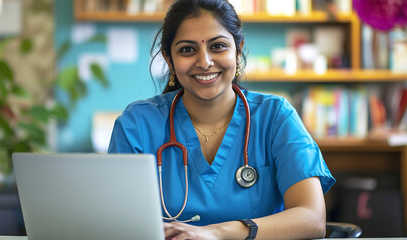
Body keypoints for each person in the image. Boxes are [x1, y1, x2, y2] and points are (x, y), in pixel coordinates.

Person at [108, 0, 335, 239]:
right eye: (187, 49)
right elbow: (119, 224)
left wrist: (218, 233)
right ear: (169, 59)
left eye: (218, 46)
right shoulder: (137, 125)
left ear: (238, 51)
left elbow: (312, 218)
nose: (204, 62)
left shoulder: (276, 117)